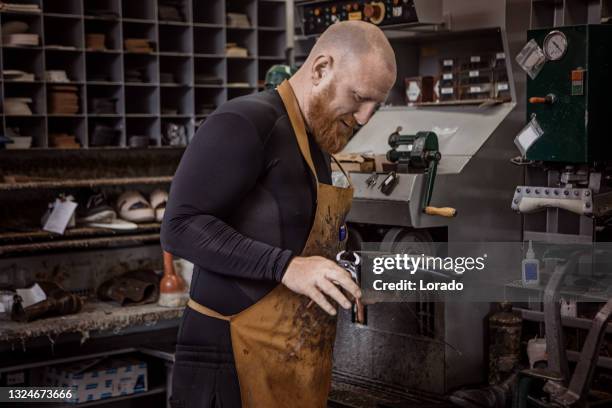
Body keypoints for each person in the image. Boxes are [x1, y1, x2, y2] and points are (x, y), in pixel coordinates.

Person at [161, 20, 396, 408]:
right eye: (358, 97)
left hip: (293, 364)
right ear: (321, 69)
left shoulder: (317, 139)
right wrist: (289, 267)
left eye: (376, 103)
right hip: (229, 360)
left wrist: (352, 270)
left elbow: (288, 229)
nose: (365, 117)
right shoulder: (244, 122)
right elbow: (180, 227)